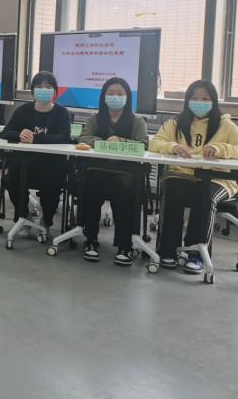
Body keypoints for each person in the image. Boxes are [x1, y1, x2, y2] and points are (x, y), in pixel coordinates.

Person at [149, 80, 238, 273]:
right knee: (172, 189)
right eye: (195, 98)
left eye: (205, 98)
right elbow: (155, 142)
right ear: (187, 100)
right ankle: (168, 250)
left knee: (204, 195)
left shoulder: (226, 125)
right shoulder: (175, 123)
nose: (200, 102)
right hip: (182, 174)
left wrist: (220, 148)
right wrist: (172, 147)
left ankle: (196, 253)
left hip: (218, 179)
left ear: (214, 101)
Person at [77, 77, 148, 266]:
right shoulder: (95, 118)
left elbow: (143, 144)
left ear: (127, 97)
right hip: (98, 168)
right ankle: (90, 240)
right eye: (111, 93)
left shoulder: (137, 121)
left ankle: (125, 245)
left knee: (122, 187)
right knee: (92, 184)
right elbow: (83, 138)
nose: (115, 96)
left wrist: (121, 142)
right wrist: (103, 143)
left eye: (120, 93)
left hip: (126, 172)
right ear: (103, 96)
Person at [0, 71, 71, 232]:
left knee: (52, 183)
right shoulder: (23, 110)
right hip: (24, 164)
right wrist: (19, 134)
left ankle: (47, 219)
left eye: (48, 86)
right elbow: (5, 132)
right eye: (39, 86)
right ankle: (23, 215)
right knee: (10, 179)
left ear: (55, 91)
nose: (44, 90)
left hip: (52, 165)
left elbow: (65, 138)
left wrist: (36, 139)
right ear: (33, 91)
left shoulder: (61, 113)